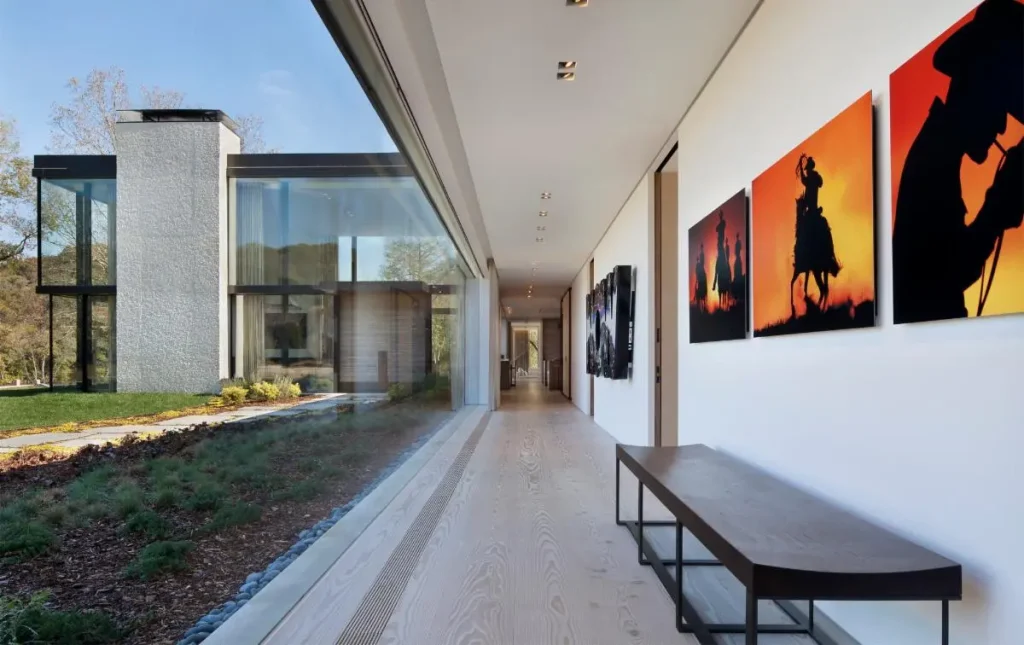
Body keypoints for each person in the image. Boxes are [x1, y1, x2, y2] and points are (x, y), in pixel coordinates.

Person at [893, 0, 1023, 323]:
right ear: (977, 91)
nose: (1002, 127)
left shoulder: (935, 152)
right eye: (1000, 107)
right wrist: (998, 205)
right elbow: (947, 276)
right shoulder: (933, 163)